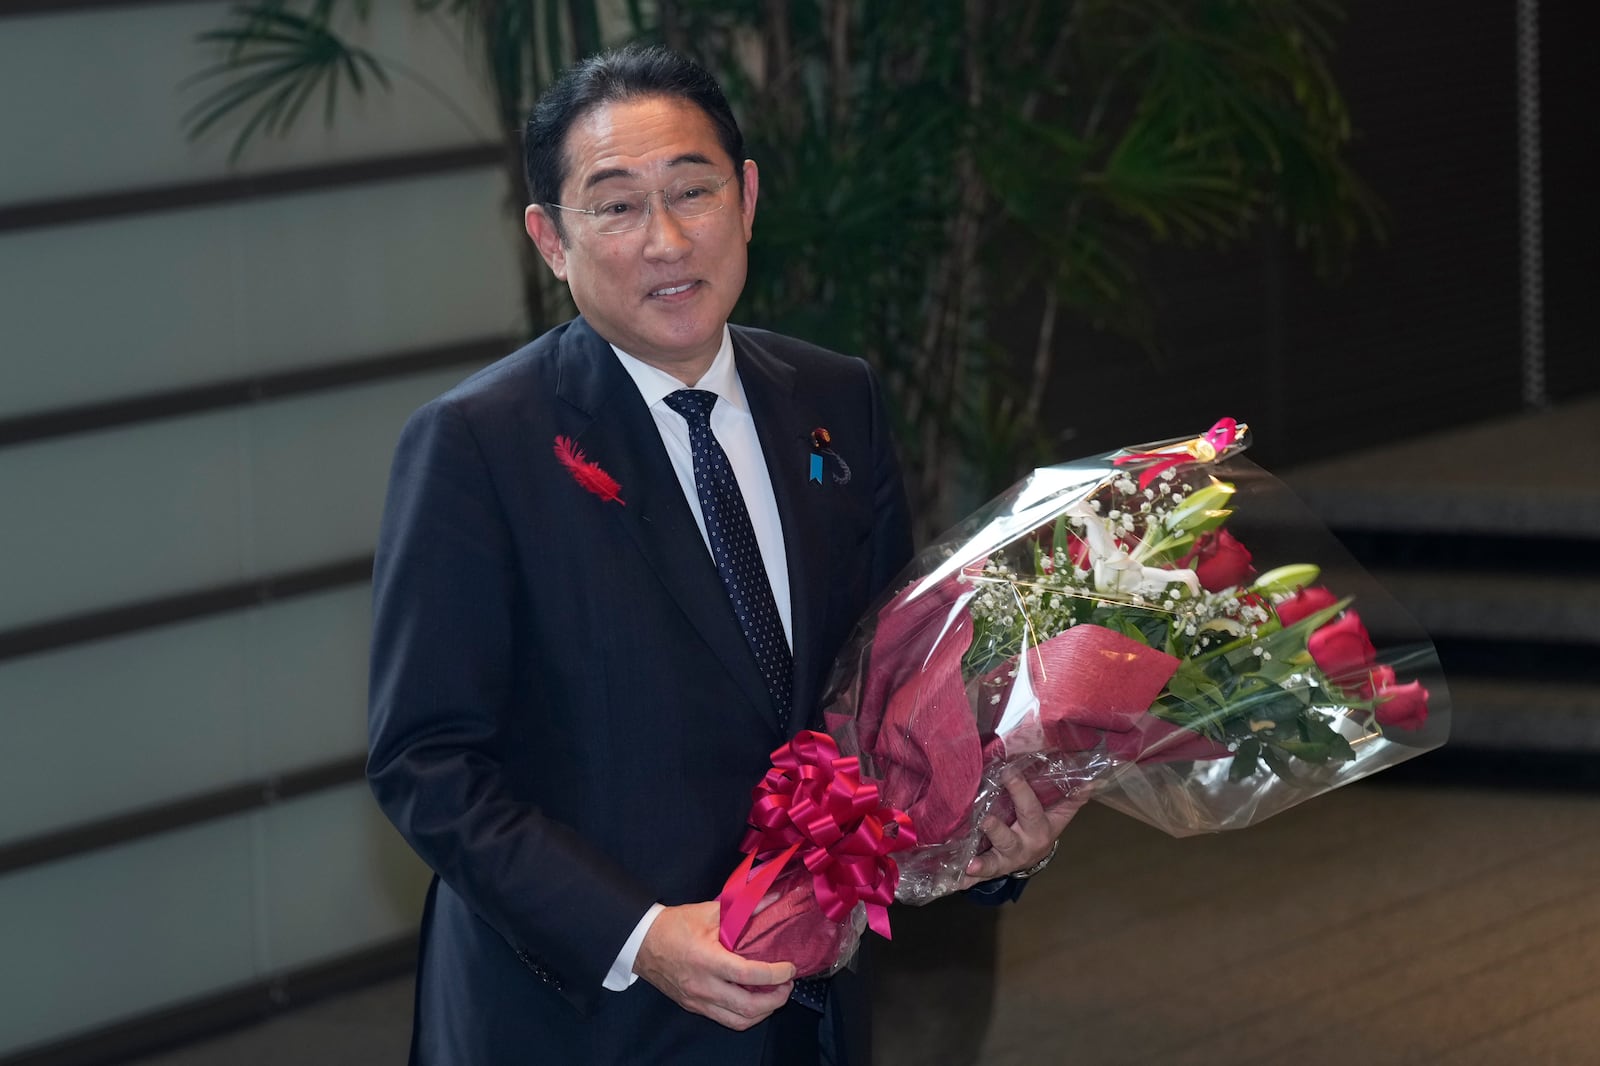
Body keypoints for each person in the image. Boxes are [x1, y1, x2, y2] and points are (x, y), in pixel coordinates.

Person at [367, 44, 1076, 1066]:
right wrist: (638, 935)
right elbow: (425, 761)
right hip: (577, 1021)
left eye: (690, 190)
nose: (664, 239)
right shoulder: (479, 445)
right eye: (614, 206)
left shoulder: (836, 400)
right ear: (549, 241)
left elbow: (884, 698)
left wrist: (988, 833)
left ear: (745, 198)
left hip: (803, 1009)